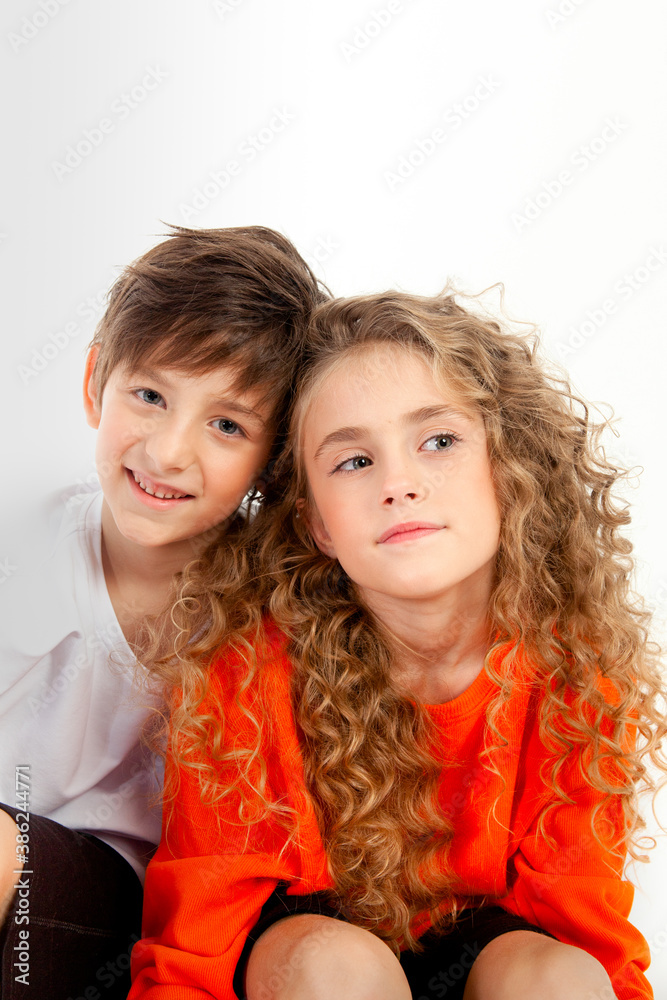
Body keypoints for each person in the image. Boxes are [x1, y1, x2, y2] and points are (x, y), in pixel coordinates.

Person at [130, 290, 666, 1000]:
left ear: (507, 468)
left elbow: (588, 939)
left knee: (557, 976)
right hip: (302, 966)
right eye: (353, 462)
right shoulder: (245, 674)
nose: (399, 485)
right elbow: (193, 953)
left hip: (487, 952)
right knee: (331, 962)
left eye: (438, 442)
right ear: (317, 523)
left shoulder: (573, 673)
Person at [0, 224, 328, 1000]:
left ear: (271, 457)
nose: (169, 450)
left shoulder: (266, 611)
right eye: (149, 395)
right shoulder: (26, 540)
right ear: (94, 385)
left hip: (142, 915)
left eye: (226, 425)